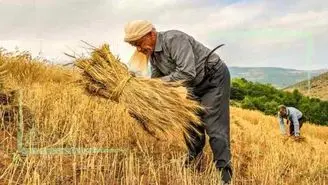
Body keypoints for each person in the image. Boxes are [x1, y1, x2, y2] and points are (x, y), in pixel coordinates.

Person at [124, 20, 232, 184]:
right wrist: (142, 95)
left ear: (151, 34)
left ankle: (224, 174)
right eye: (135, 46)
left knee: (214, 126)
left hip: (213, 79)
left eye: (139, 43)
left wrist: (155, 84)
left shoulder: (175, 39)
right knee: (191, 124)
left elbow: (187, 72)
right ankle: (193, 160)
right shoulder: (153, 56)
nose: (139, 49)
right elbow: (157, 81)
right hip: (194, 85)